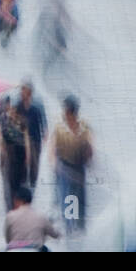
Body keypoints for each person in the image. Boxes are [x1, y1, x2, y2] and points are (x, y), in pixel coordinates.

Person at [51, 96, 92, 235]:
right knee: (67, 196)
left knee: (79, 196)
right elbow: (53, 147)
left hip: (79, 167)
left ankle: (80, 224)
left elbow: (90, 144)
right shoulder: (59, 127)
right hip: (64, 166)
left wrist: (89, 156)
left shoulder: (84, 126)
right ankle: (69, 226)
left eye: (67, 111)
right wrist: (55, 163)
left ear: (72, 112)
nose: (65, 114)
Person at [0, 95, 30, 211]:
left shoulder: (22, 121)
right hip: (8, 158)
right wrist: (1, 151)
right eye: (11, 108)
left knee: (20, 183)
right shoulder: (3, 120)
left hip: (20, 158)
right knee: (9, 186)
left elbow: (26, 138)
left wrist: (28, 156)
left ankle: (20, 207)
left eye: (15, 109)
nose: (12, 110)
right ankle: (10, 209)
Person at [5, 185, 60, 251]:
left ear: (17, 201)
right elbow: (54, 234)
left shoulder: (10, 216)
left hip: (14, 248)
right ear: (30, 200)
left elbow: (8, 239)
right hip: (35, 248)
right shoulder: (41, 216)